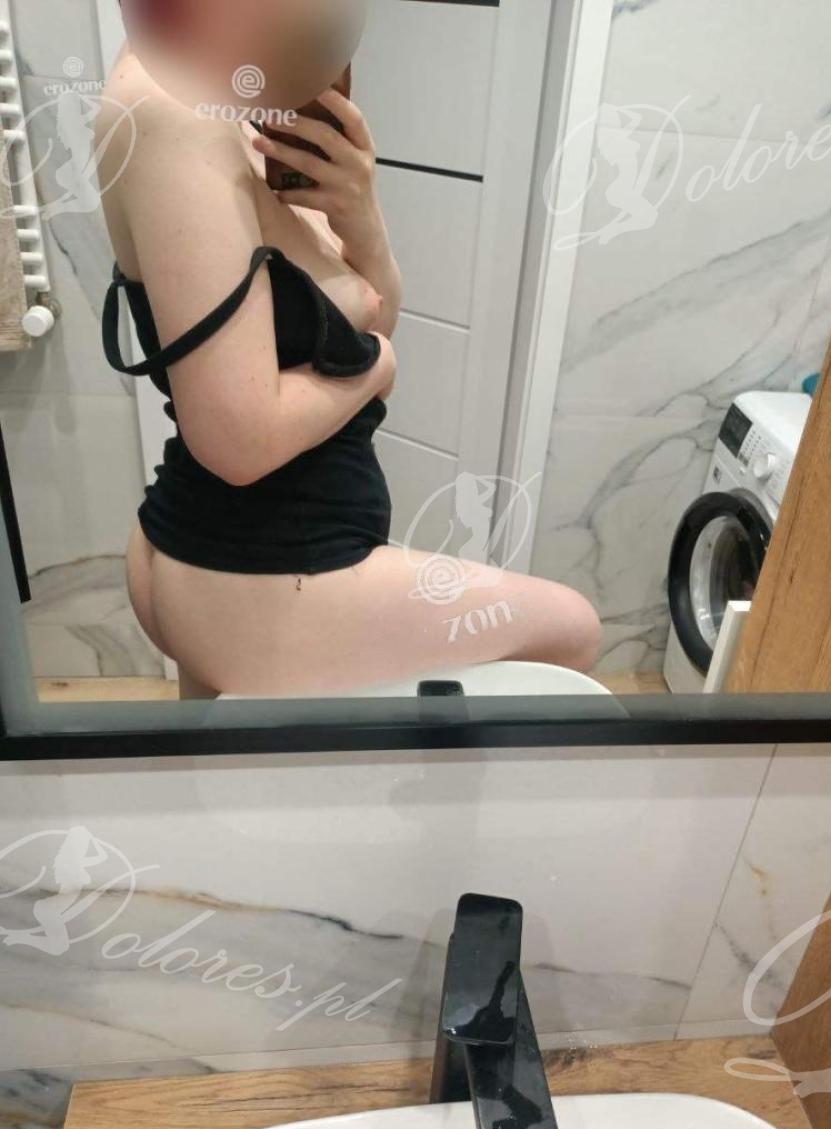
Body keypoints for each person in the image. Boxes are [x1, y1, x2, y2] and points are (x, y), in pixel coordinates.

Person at [97, 43, 602, 698]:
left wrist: (362, 217)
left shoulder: (238, 104)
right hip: (258, 576)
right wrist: (375, 368)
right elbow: (239, 440)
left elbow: (366, 311)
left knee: (233, 763)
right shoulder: (176, 104)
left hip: (236, 563)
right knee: (570, 629)